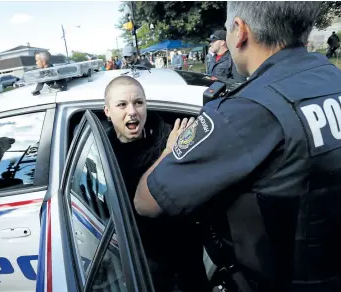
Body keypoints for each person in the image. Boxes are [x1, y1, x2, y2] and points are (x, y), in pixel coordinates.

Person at [133, 2, 341, 292]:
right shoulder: (332, 79)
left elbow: (146, 201)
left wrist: (170, 150)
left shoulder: (244, 112)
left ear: (240, 31)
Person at [104, 76, 211, 292]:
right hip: (143, 256)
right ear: (107, 111)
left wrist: (175, 150)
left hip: (184, 248)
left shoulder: (170, 136)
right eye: (122, 105)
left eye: (138, 102)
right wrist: (168, 154)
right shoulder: (102, 151)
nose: (132, 111)